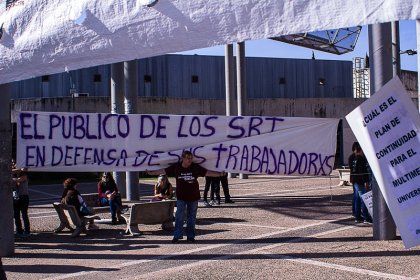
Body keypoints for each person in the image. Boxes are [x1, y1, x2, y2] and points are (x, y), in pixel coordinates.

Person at [148, 150, 224, 243]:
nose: (190, 160)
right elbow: (163, 170)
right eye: (188, 158)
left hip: (193, 196)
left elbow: (207, 172)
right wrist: (152, 173)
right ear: (182, 158)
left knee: (191, 217)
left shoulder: (195, 167)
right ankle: (177, 235)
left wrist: (220, 174)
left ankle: (190, 236)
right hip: (181, 197)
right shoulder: (176, 167)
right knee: (179, 217)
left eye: (191, 158)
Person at [349, 146, 372, 224]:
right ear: (361, 150)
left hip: (355, 180)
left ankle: (357, 216)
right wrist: (366, 181)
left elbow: (352, 170)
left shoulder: (354, 158)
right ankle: (366, 217)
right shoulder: (360, 159)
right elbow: (362, 171)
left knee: (357, 198)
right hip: (360, 181)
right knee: (364, 200)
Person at [12, 160, 30, 238]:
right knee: (16, 215)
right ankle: (19, 230)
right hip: (15, 197)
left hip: (23, 197)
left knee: (24, 215)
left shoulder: (24, 175)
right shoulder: (14, 175)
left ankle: (27, 231)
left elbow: (17, 180)